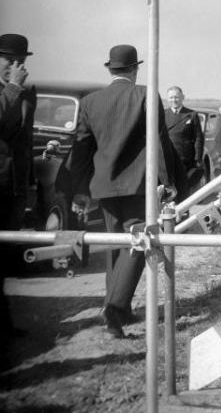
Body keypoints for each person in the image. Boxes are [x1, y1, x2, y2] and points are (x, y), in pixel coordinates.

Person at [65, 44, 187, 338]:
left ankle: (119, 310)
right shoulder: (144, 94)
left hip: (104, 186)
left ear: (111, 69)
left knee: (116, 245)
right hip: (137, 185)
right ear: (135, 69)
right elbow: (157, 141)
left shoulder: (92, 102)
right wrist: (166, 181)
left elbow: (81, 149)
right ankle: (114, 308)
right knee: (139, 241)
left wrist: (78, 190)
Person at [0, 33, 37, 338]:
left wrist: (26, 182)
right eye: (8, 60)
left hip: (12, 187)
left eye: (20, 62)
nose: (14, 66)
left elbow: (25, 141)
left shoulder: (26, 92)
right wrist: (13, 87)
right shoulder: (14, 89)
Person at [164, 85, 204, 193]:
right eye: (171, 97)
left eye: (177, 97)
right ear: (167, 99)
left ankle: (184, 210)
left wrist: (198, 159)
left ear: (183, 97)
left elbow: (198, 138)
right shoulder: (163, 114)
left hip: (186, 160)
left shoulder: (191, 114)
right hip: (169, 160)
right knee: (170, 193)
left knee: (184, 191)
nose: (174, 100)